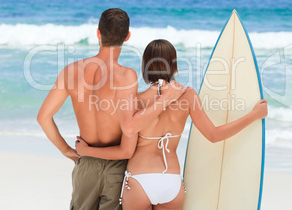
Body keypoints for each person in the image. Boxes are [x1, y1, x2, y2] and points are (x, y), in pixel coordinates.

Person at [75, 39, 268, 210]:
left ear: (145, 66)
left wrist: (87, 151)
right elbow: (214, 135)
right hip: (172, 183)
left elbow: (126, 151)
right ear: (174, 65)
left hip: (138, 181)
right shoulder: (188, 95)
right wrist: (253, 115)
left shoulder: (136, 100)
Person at [37, 10, 186, 210]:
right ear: (127, 36)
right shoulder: (126, 76)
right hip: (116, 162)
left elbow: (43, 117)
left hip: (86, 161)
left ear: (98, 33)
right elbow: (131, 126)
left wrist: (68, 151)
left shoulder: (70, 72)